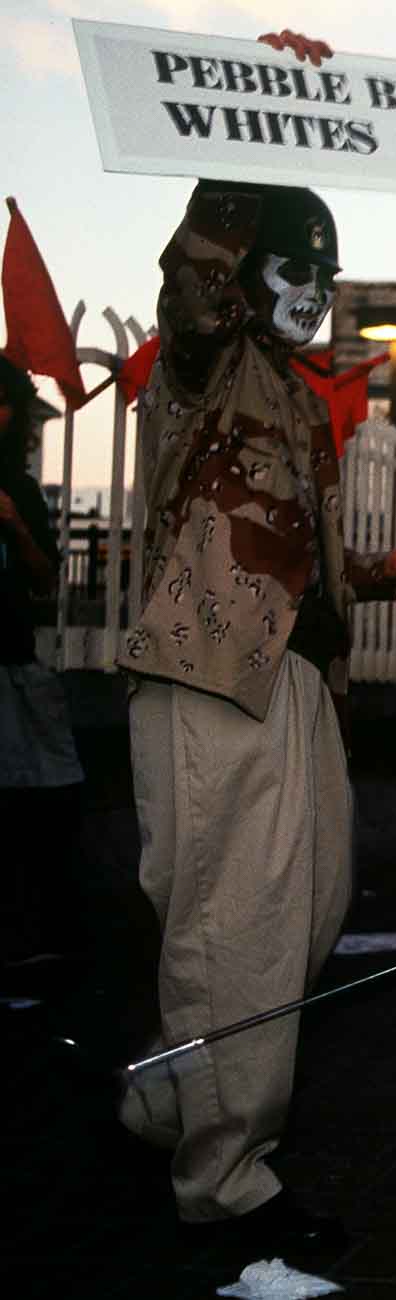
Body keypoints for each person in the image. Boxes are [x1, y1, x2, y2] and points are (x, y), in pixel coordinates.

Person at [116, 167, 396, 1273]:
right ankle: (224, 1195)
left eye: (330, 270)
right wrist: (237, 157)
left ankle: (169, 1098)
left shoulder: (299, 395)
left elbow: (272, 539)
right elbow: (194, 281)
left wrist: (372, 575)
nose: (319, 289)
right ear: (244, 275)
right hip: (211, 672)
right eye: (295, 265)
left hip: (291, 677)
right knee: (236, 928)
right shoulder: (208, 357)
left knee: (300, 912)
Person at [0, 357, 84, 966]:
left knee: (40, 808)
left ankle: (41, 941)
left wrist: (15, 527)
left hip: (12, 667)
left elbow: (47, 582)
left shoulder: (20, 490)